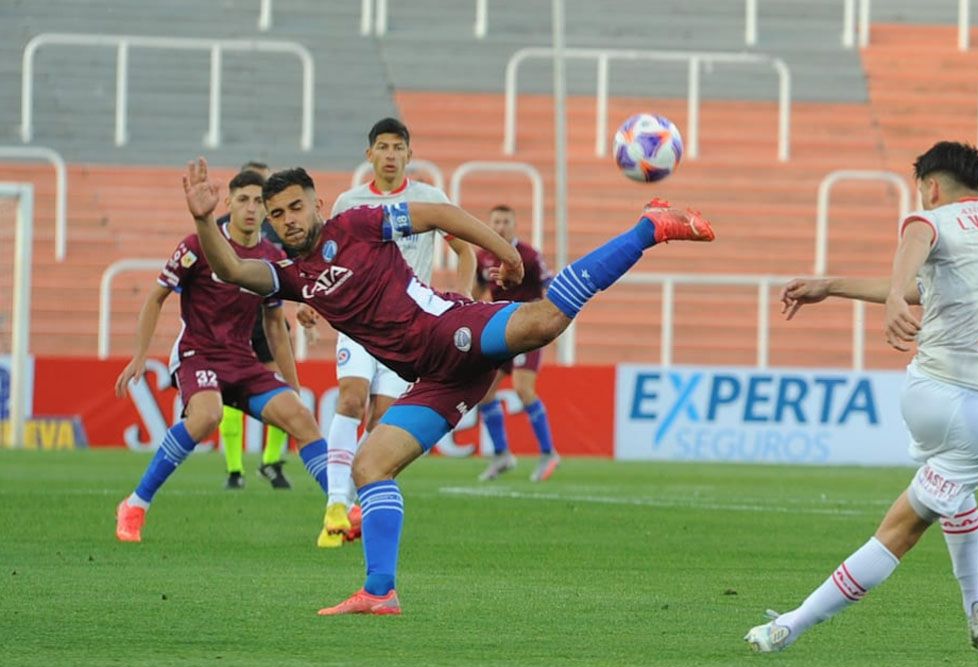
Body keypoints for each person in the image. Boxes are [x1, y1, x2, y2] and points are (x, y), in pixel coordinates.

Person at [179, 157, 713, 615]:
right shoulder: (292, 275)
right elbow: (228, 267)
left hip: (452, 331)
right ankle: (379, 592)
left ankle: (650, 227)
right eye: (277, 214)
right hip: (436, 378)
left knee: (546, 320)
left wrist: (503, 251)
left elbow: (438, 215)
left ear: (318, 204)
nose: (287, 220)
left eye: (296, 207)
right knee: (368, 466)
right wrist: (205, 220)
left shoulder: (359, 223)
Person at [744, 141, 978, 653]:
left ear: (932, 186)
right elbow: (930, 286)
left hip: (934, 395)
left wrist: (896, 293)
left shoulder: (934, 220)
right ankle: (977, 601)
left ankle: (792, 624)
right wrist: (833, 285)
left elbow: (916, 237)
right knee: (936, 495)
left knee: (908, 522)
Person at [113, 170, 334, 545]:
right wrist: (138, 355)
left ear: (267, 211)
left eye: (258, 202)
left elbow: (275, 324)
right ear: (227, 203)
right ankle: (135, 504)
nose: (251, 208)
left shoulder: (271, 257)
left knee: (301, 419)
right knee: (208, 415)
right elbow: (155, 297)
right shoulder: (199, 245)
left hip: (242, 360)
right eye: (243, 199)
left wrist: (292, 385)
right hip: (198, 353)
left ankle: (341, 508)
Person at [296, 118, 477, 543]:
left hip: (407, 328)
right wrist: (310, 305)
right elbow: (324, 263)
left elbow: (464, 251)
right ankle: (334, 506)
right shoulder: (348, 203)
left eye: (399, 147)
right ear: (370, 155)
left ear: (410, 155)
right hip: (358, 321)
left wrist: (464, 298)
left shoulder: (428, 199)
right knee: (351, 398)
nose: (391, 154)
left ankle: (359, 509)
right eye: (383, 146)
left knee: (381, 419)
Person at [215, 161, 292, 490]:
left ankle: (271, 462)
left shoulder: (278, 225)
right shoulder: (220, 226)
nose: (254, 207)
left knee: (281, 386)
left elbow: (292, 272)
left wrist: (304, 310)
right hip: (230, 320)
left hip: (266, 317)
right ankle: (234, 469)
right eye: (247, 197)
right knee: (229, 395)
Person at [473, 205, 559, 482]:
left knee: (523, 389)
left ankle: (548, 452)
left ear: (514, 225)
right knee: (483, 393)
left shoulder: (529, 256)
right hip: (501, 329)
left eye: (505, 221)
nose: (500, 226)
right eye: (495, 221)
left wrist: (550, 321)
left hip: (529, 329)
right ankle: (502, 455)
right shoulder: (482, 256)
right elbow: (475, 292)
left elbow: (550, 284)